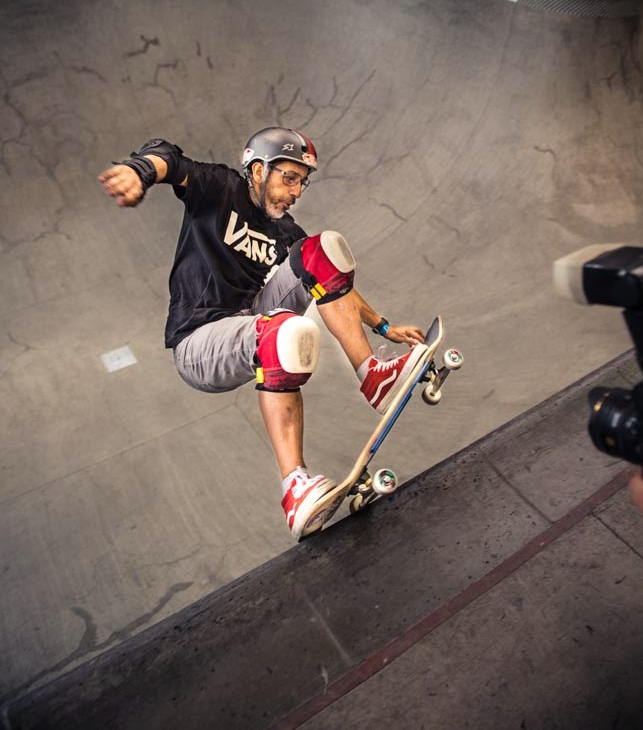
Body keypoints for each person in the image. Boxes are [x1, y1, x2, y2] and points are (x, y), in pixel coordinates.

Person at [98, 128, 428, 538]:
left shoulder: (285, 232)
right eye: (288, 178)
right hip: (199, 343)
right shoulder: (220, 189)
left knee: (322, 249)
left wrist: (383, 325)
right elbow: (169, 158)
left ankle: (374, 377)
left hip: (252, 320)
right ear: (258, 170)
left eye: (302, 183)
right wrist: (140, 170)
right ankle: (295, 487)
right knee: (285, 332)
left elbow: (338, 286)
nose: (296, 192)